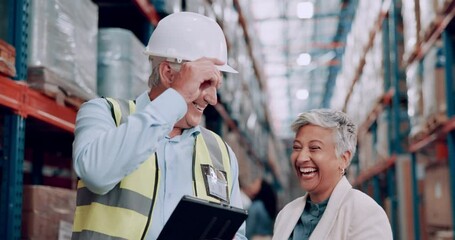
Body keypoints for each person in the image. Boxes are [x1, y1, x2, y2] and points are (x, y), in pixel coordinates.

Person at [71, 12, 247, 240]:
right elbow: (96, 173)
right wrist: (176, 98)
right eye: (205, 82)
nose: (212, 98)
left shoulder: (220, 153)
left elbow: (235, 236)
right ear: (168, 73)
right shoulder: (104, 114)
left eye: (216, 84)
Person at [272, 109, 393, 240]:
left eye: (314, 148)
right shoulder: (286, 214)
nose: (301, 158)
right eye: (297, 147)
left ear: (343, 159)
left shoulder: (365, 213)